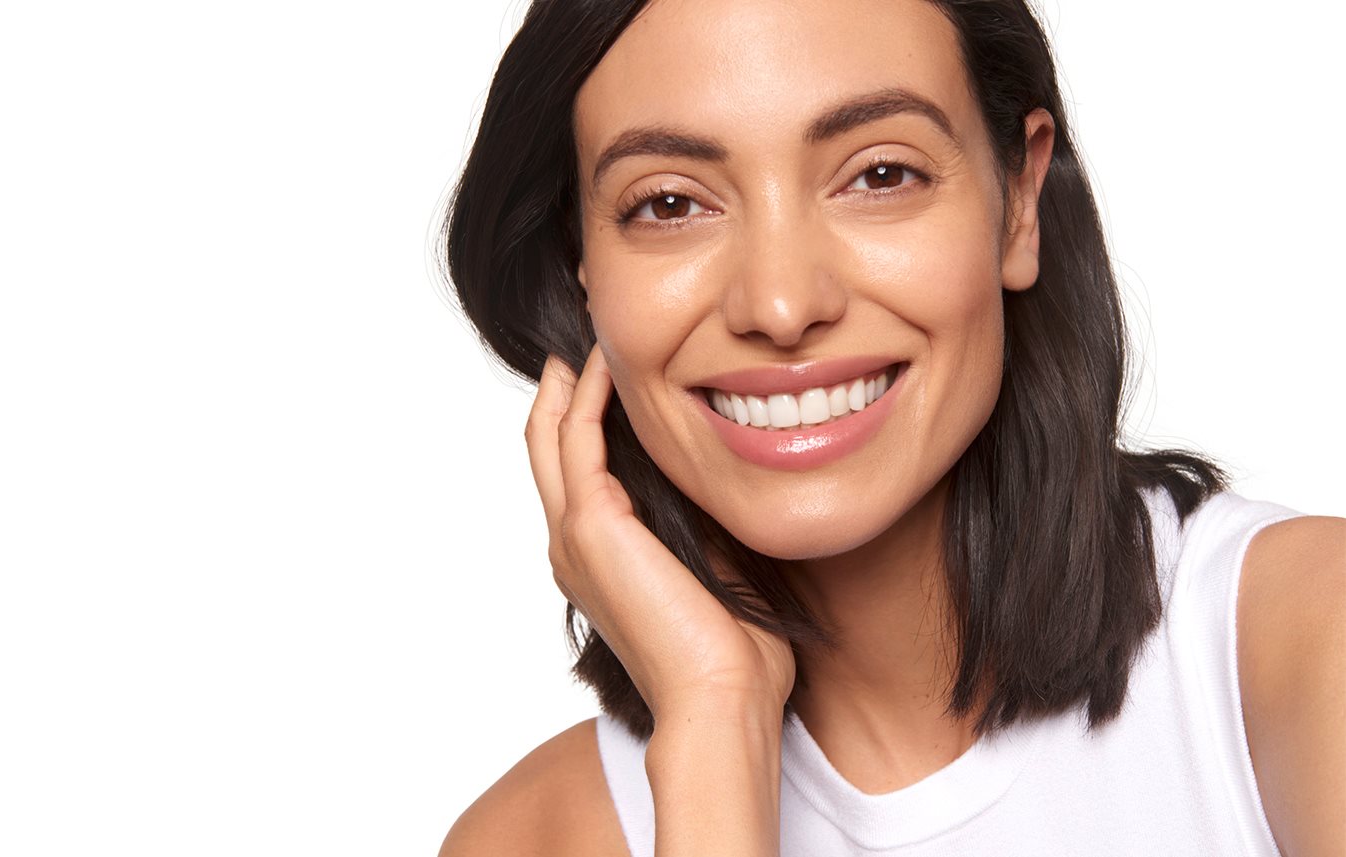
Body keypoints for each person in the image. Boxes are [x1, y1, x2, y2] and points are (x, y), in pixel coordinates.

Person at [435, 0, 1345, 854]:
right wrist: (716, 725)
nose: (782, 304)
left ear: (1018, 202)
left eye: (880, 174)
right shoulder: (536, 834)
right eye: (669, 204)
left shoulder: (1305, 641)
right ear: (580, 260)